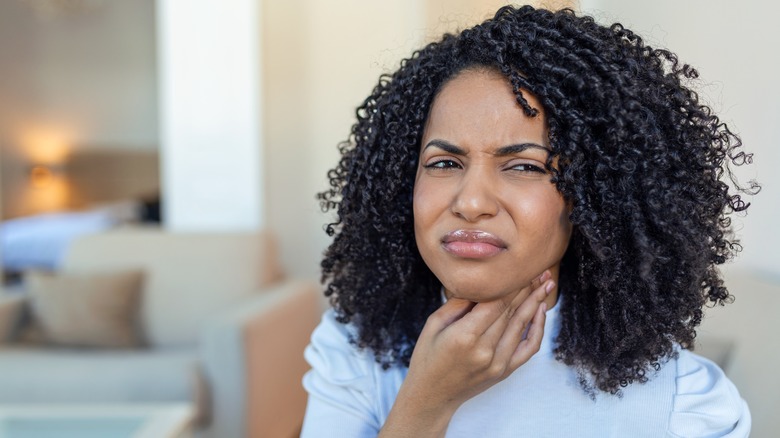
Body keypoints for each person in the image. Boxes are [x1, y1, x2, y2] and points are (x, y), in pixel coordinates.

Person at [301, 5, 755, 437]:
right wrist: (426, 402)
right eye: (444, 163)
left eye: (524, 167)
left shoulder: (683, 404)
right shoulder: (352, 352)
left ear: (593, 195)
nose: (471, 202)